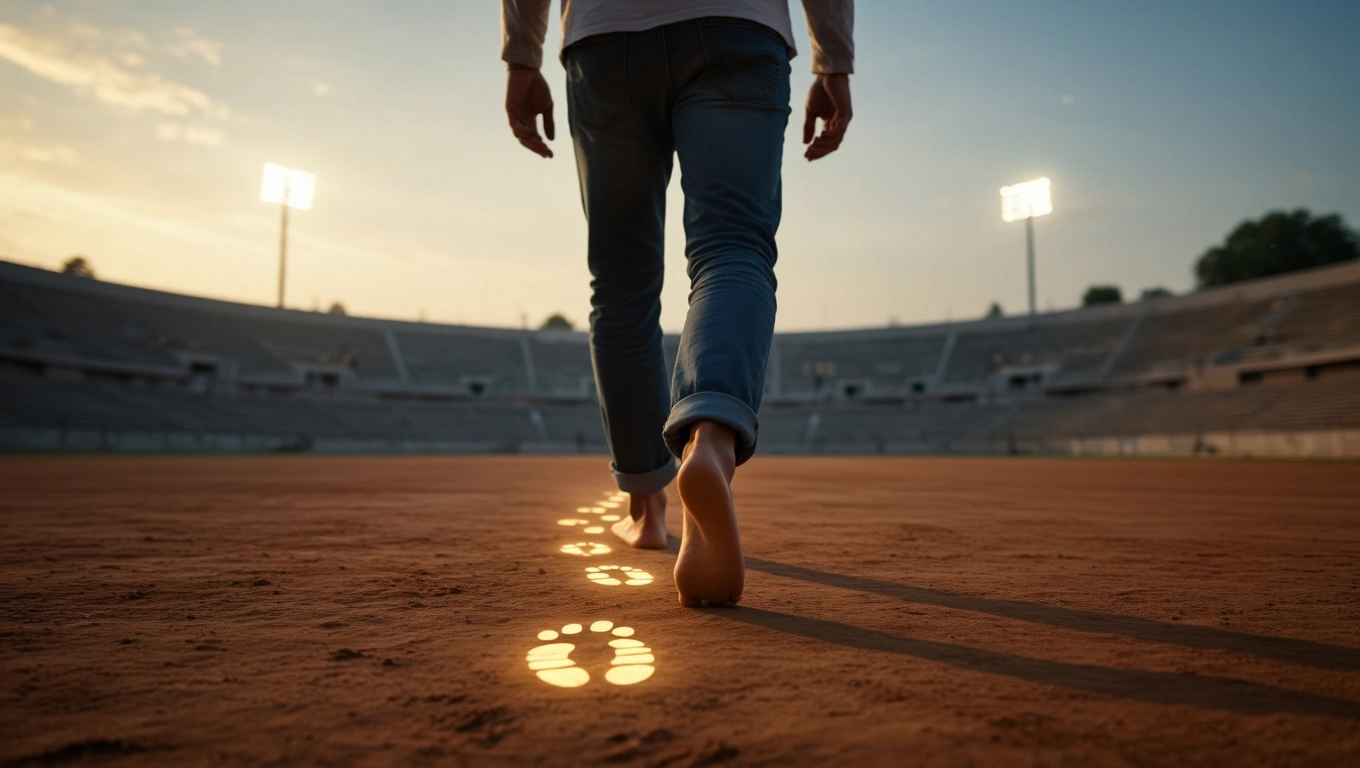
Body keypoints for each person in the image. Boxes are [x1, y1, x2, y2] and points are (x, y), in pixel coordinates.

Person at [501, 0, 854, 607]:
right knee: (733, 249)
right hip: (738, 27)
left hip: (604, 37)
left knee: (621, 281)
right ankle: (709, 439)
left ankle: (646, 511)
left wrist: (521, 58)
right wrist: (834, 61)